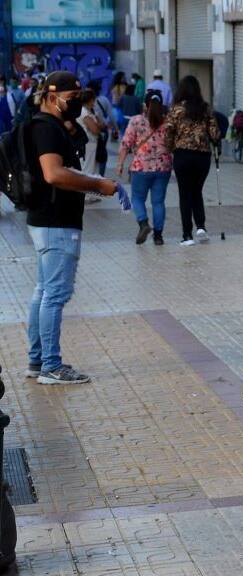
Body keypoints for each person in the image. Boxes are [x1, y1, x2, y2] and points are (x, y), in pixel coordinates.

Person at [24, 71, 118, 385]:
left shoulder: (47, 125)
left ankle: (38, 361)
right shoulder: (47, 129)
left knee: (43, 292)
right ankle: (51, 365)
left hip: (46, 219)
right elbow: (53, 174)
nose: (75, 102)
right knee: (54, 295)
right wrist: (97, 185)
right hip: (56, 222)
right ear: (51, 97)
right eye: (71, 97)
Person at [164, 75, 220, 245]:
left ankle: (187, 234)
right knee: (196, 191)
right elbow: (215, 134)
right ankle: (201, 227)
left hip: (182, 156)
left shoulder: (176, 109)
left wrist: (170, 149)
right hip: (203, 157)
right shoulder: (205, 108)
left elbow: (168, 132)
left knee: (184, 194)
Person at [117, 91, 172, 246]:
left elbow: (126, 144)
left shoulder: (136, 121)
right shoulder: (167, 122)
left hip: (141, 167)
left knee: (137, 199)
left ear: (144, 104)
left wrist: (120, 163)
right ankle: (159, 237)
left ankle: (143, 224)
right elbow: (172, 144)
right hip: (163, 167)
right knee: (158, 202)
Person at [75, 89, 103, 175]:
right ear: (90, 99)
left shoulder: (88, 111)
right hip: (88, 144)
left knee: (90, 167)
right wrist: (98, 127)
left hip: (90, 144)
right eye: (94, 99)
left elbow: (100, 124)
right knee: (88, 169)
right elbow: (95, 129)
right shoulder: (84, 112)